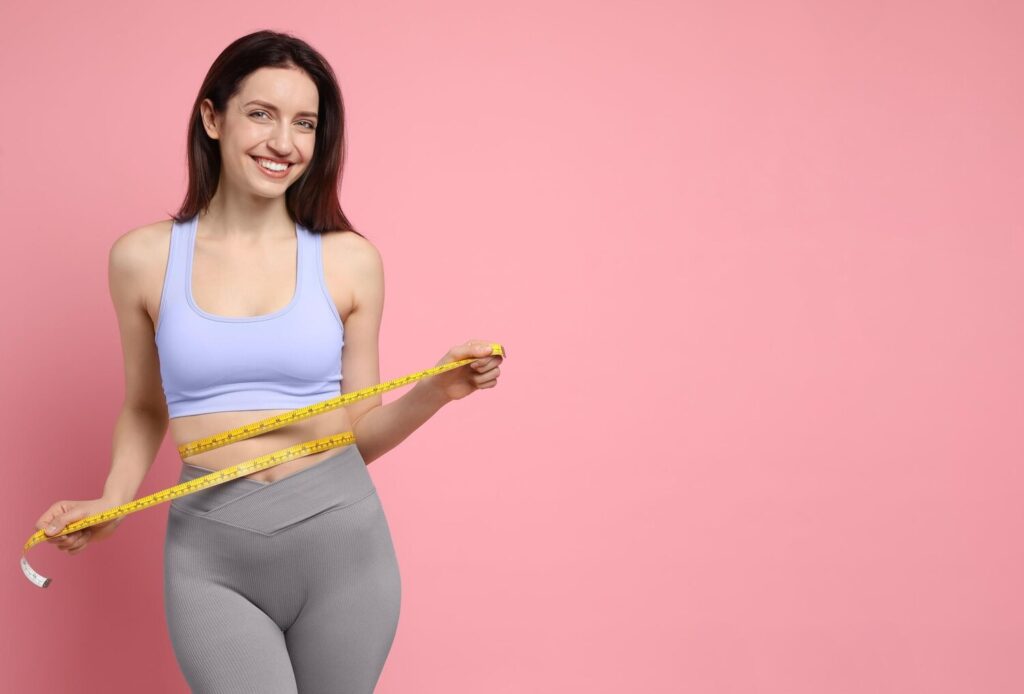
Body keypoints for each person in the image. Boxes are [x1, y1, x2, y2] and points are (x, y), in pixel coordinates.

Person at [34, 29, 503, 693]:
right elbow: (145, 405)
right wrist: (114, 498)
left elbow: (358, 433)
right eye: (262, 114)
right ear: (212, 116)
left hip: (345, 547)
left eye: (305, 123)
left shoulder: (350, 261)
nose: (284, 142)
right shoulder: (142, 259)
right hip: (211, 550)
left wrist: (438, 390)